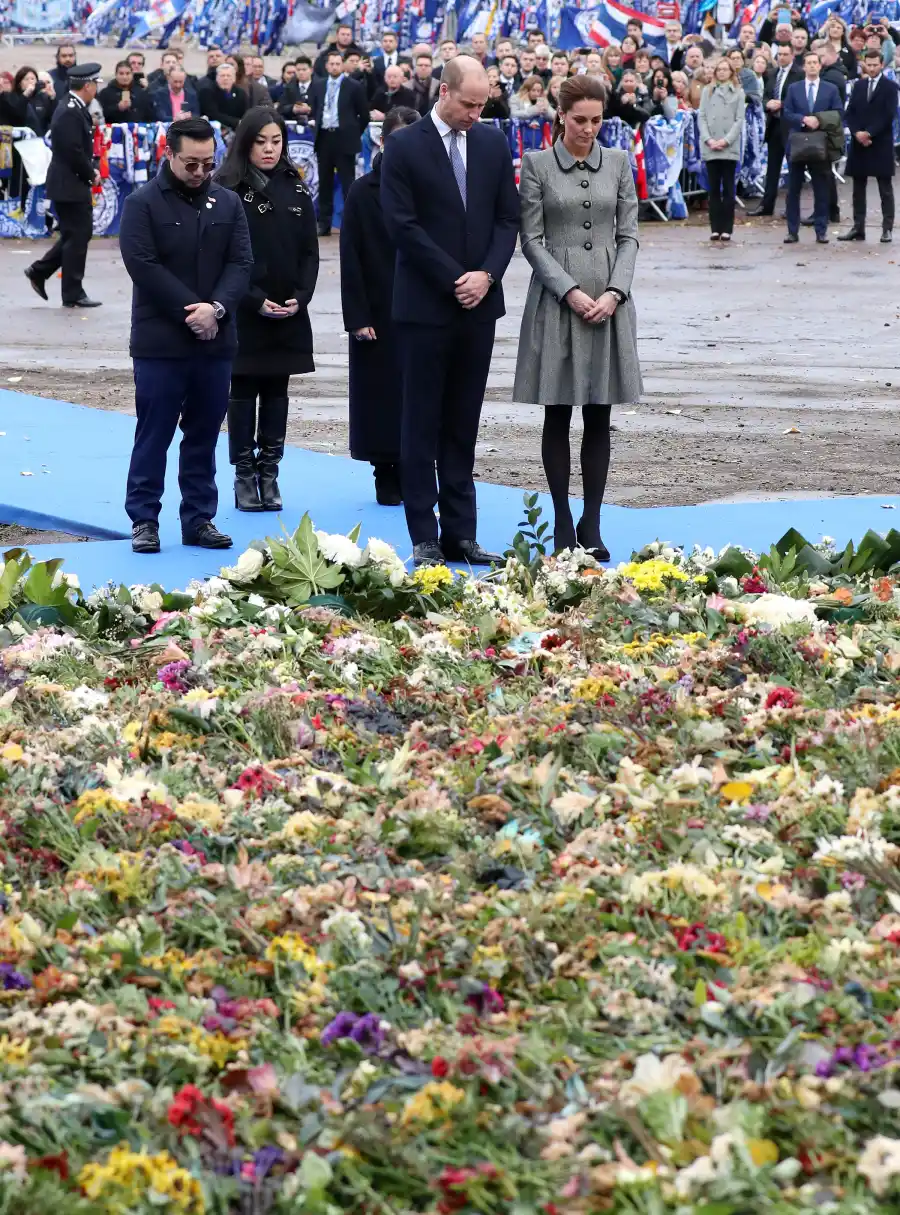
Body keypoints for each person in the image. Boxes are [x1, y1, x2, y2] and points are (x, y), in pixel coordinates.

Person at [380, 55, 520, 567]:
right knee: (420, 422)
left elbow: (509, 218)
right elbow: (401, 224)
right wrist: (453, 277)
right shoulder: (404, 145)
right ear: (443, 92)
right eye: (468, 104)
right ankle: (424, 534)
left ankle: (463, 533)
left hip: (478, 305)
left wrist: (486, 274)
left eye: (483, 105)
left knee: (463, 421)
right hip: (425, 307)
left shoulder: (490, 143)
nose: (475, 114)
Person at [514, 77, 638, 562]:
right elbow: (532, 240)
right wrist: (568, 290)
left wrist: (614, 292)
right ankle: (563, 521)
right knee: (558, 412)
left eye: (596, 120)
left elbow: (629, 236)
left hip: (610, 305)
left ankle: (593, 521)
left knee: (600, 415)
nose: (588, 129)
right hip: (556, 304)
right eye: (579, 119)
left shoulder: (620, 163)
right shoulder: (536, 165)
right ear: (560, 116)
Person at [119, 116, 253, 555]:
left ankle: (199, 517)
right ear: (169, 155)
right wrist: (190, 311)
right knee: (154, 431)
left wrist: (215, 309)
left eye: (207, 164)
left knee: (204, 432)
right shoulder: (142, 203)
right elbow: (143, 264)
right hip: (161, 342)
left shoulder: (228, 203)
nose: (199, 173)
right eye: (190, 164)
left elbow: (240, 263)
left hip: (215, 340)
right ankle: (144, 518)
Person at [212, 109, 319, 514]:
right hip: (245, 309)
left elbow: (310, 250)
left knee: (277, 391)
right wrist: (254, 299)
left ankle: (269, 472)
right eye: (261, 141)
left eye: (276, 141)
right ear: (246, 142)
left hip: (289, 309)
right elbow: (224, 257)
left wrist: (301, 296)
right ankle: (243, 474)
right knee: (242, 391)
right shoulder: (227, 187)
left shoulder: (295, 186)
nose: (270, 149)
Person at [340, 106, 419, 507]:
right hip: (378, 309)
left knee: (421, 393)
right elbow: (350, 256)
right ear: (383, 142)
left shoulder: (432, 187)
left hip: (424, 307)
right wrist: (357, 316)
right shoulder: (362, 191)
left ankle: (418, 467)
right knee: (381, 393)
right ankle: (384, 470)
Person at [24, 64, 102, 310]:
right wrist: (91, 174)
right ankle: (72, 292)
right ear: (87, 86)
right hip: (69, 183)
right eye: (95, 83)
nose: (97, 87)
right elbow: (72, 151)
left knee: (75, 234)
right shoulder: (69, 110)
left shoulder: (73, 106)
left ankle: (39, 271)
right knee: (78, 234)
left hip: (70, 181)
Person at [783, 50, 843, 243]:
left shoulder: (830, 89)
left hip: (821, 144)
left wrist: (818, 120)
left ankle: (821, 230)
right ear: (803, 66)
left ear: (820, 65)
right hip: (798, 142)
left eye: (814, 63)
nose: (811, 66)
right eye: (808, 63)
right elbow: (787, 112)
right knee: (793, 189)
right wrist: (802, 119)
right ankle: (792, 230)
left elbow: (838, 113)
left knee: (821, 189)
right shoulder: (794, 88)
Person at [839, 49, 898, 243]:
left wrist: (870, 133)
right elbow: (850, 113)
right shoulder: (859, 86)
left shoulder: (890, 87)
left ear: (881, 64)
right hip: (859, 143)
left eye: (875, 65)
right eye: (869, 65)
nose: (872, 68)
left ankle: (887, 228)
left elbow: (888, 115)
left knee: (885, 188)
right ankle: (858, 228)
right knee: (858, 188)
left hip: (880, 142)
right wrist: (857, 133)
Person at [309, 49, 369, 237]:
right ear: (326, 66)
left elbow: (364, 115)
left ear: (342, 65)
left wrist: (352, 132)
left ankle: (351, 223)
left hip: (345, 139)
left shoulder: (354, 86)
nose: (334, 67)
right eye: (331, 63)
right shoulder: (318, 85)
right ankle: (324, 223)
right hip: (325, 137)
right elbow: (315, 109)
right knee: (325, 182)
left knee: (347, 183)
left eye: (337, 63)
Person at [747, 42, 802, 217]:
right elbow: (765, 96)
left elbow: (800, 100)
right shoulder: (771, 74)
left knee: (793, 168)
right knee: (772, 168)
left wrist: (783, 105)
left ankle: (791, 206)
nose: (782, 57)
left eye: (786, 54)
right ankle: (766, 204)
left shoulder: (799, 74)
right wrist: (767, 104)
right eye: (780, 54)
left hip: (791, 126)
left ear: (792, 55)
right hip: (774, 124)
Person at [698, 58, 744, 243]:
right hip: (711, 147)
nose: (722, 72)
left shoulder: (739, 93)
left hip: (729, 147)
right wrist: (709, 139)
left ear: (731, 72)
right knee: (714, 190)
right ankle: (715, 227)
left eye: (726, 70)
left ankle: (727, 228)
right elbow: (701, 116)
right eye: (719, 70)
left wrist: (726, 140)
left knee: (729, 189)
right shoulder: (707, 92)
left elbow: (739, 120)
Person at [201, 61, 248, 131]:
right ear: (217, 78)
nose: (225, 78)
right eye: (222, 75)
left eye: (228, 75)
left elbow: (245, 113)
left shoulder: (241, 93)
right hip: (215, 129)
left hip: (236, 130)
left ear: (234, 78)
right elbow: (213, 114)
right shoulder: (208, 91)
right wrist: (237, 122)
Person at [278, 56, 314, 120]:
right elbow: (281, 108)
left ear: (311, 70)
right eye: (298, 70)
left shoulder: (319, 86)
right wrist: (293, 109)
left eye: (304, 70)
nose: (301, 72)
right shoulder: (289, 87)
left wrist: (310, 109)